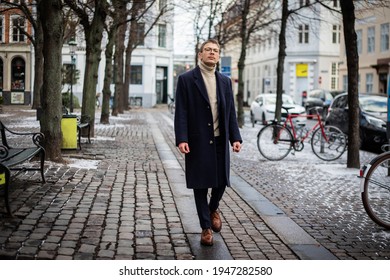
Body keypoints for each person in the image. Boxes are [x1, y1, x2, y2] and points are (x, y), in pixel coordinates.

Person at [174, 39, 242, 246]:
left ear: (218, 55)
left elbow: (230, 112)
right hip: (198, 140)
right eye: (208, 50)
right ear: (200, 54)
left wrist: (235, 137)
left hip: (221, 140)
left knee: (221, 182)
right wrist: (182, 139)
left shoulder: (224, 81)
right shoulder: (186, 79)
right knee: (200, 185)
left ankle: (213, 208)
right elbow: (182, 112)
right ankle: (205, 228)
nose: (212, 53)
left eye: (215, 51)